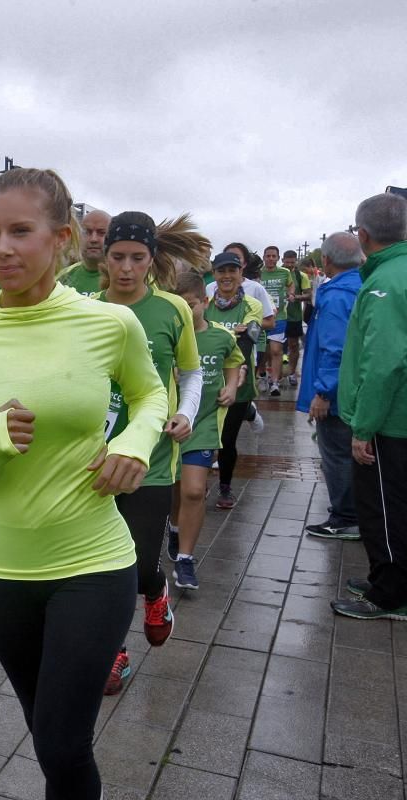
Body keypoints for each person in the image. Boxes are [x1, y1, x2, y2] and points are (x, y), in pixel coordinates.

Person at [0, 168, 166, 800]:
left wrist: (132, 445)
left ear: (61, 238)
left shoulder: (110, 324)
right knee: (47, 736)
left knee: (61, 741)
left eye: (20, 231)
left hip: (92, 560)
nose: (1, 248)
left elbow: (149, 395)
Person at [97, 211, 206, 694]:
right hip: (94, 457)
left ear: (151, 259)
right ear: (103, 258)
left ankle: (157, 588)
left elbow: (191, 372)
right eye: (117, 257)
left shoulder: (172, 310)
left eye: (136, 258)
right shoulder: (84, 308)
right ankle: (114, 652)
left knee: (140, 565)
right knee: (104, 565)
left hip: (152, 460)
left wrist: (185, 413)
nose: (126, 268)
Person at [332, 193, 407, 620]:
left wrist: (364, 426)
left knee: (385, 508)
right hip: (395, 417)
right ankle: (384, 576)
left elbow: (383, 362)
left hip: (389, 422)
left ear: (363, 235)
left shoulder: (384, 282)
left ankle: (390, 592)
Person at [168, 272, 242, 589]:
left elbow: (235, 361)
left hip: (204, 423)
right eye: (180, 307)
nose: (186, 313)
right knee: (175, 487)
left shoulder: (222, 337)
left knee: (194, 490)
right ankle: (174, 527)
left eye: (191, 305)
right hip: (169, 425)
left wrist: (231, 386)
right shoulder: (167, 336)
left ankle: (185, 560)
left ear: (205, 302)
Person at [298, 232, 363, 540]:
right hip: (351, 391)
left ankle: (345, 517)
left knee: (336, 454)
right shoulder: (359, 286)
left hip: (337, 395)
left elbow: (335, 349)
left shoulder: (337, 295)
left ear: (326, 260)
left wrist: (323, 391)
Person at [203, 252, 266, 510]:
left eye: (232, 270)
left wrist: (237, 367)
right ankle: (199, 479)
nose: (227, 276)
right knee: (204, 436)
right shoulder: (205, 303)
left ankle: (226, 485)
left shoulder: (252, 305)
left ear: (241, 274)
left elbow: (246, 339)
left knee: (227, 439)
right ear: (214, 274)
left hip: (238, 382)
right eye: (221, 271)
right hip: (205, 379)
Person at [256, 245, 293, 396]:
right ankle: (263, 376)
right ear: (264, 257)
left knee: (276, 350)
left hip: (280, 317)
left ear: (278, 258)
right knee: (262, 351)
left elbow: (290, 285)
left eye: (274, 256)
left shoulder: (285, 272)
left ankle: (275, 383)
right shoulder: (258, 273)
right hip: (261, 317)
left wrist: (291, 294)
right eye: (268, 256)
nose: (271, 259)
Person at [60, 208, 111, 296]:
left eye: (101, 233)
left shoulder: (124, 278)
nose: (93, 239)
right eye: (87, 232)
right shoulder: (63, 278)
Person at [283, 249, 311, 386]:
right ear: (282, 261)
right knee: (271, 348)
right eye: (287, 262)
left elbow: (309, 295)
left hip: (294, 316)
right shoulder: (276, 274)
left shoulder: (301, 276)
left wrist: (295, 297)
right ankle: (270, 374)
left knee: (293, 345)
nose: (289, 265)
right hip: (276, 316)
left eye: (292, 262)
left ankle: (292, 372)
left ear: (296, 262)